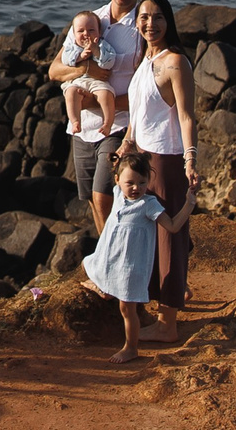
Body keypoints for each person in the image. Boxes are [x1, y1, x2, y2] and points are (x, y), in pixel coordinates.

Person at [117, 0, 201, 313]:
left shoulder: (175, 62)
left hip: (166, 160)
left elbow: (186, 115)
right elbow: (138, 113)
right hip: (142, 156)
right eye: (144, 17)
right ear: (137, 22)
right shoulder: (146, 60)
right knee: (148, 232)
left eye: (158, 17)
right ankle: (176, 289)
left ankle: (168, 320)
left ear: (169, 21)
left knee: (169, 237)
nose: (151, 24)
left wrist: (190, 157)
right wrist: (127, 142)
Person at [52, 0, 144, 232]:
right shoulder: (90, 21)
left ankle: (113, 261)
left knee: (104, 194)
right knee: (92, 198)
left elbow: (148, 87)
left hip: (118, 125)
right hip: (82, 127)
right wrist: (88, 70)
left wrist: (106, 105)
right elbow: (55, 71)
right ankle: (107, 259)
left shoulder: (142, 27)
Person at [81, 153, 195, 358]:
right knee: (87, 264)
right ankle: (105, 286)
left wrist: (189, 203)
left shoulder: (148, 205)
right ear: (117, 180)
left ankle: (130, 348)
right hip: (110, 259)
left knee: (127, 309)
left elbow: (173, 226)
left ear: (149, 182)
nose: (136, 188)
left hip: (131, 268)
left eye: (142, 183)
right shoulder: (117, 193)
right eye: (130, 183)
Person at [54, 10, 120, 145]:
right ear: (74, 34)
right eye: (81, 31)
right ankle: (75, 121)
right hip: (77, 81)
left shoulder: (102, 45)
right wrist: (81, 57)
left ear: (99, 32)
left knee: (106, 94)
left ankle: (107, 123)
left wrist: (96, 51)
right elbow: (66, 60)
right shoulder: (72, 47)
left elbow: (110, 62)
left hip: (98, 82)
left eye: (91, 30)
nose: (86, 34)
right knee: (71, 93)